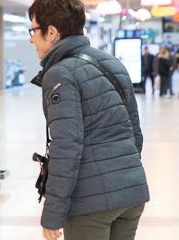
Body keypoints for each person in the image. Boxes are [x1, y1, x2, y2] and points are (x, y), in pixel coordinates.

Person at [27, 0, 150, 239]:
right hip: (131, 193)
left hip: (91, 204)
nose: (31, 38)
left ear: (52, 32)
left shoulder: (60, 73)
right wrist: (122, 178)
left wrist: (52, 214)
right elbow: (135, 133)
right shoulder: (112, 62)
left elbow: (67, 148)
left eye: (33, 30)